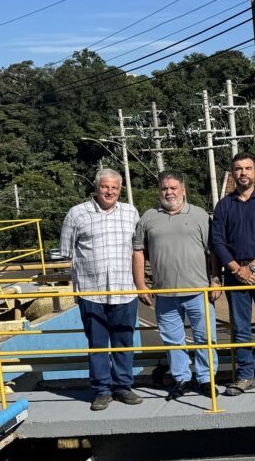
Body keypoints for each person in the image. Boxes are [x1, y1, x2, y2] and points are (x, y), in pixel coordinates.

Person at [59, 167, 143, 411]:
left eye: (114, 188)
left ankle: (123, 387)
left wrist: (140, 285)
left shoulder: (130, 212)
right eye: (105, 186)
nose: (110, 191)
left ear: (120, 190)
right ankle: (102, 391)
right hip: (91, 292)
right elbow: (66, 253)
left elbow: (137, 249)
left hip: (124, 290)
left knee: (124, 342)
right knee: (97, 344)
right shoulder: (77, 213)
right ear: (96, 187)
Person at [133, 173, 221, 400]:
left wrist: (215, 279)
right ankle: (181, 379)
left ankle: (207, 379)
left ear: (183, 190)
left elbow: (213, 250)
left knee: (205, 338)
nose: (169, 192)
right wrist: (141, 284)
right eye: (164, 188)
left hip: (198, 291)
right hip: (165, 293)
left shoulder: (199, 215)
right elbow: (138, 251)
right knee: (173, 340)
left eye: (173, 188)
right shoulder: (149, 217)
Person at [211, 153, 255, 396]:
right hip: (234, 273)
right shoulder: (223, 206)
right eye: (238, 169)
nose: (243, 173)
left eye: (248, 168)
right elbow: (217, 242)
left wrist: (251, 267)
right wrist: (236, 269)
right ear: (233, 173)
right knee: (241, 328)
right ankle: (245, 376)